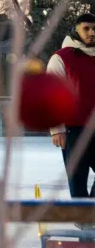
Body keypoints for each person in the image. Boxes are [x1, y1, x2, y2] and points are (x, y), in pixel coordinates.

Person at [47, 12, 95, 201]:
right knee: (77, 176)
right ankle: (82, 219)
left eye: (94, 29)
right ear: (75, 30)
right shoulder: (61, 58)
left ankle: (89, 212)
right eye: (86, 29)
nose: (92, 33)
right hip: (74, 129)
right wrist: (56, 129)